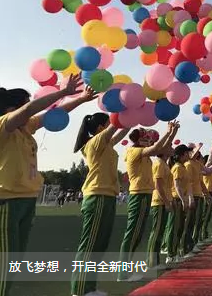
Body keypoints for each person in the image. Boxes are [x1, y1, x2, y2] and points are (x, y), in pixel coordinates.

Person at [0, 76, 92, 296]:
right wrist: (62, 92)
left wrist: (80, 99)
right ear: (12, 108)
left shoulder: (25, 128)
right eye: (25, 104)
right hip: (6, 201)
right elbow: (30, 110)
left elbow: (50, 116)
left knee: (14, 260)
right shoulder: (5, 124)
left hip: (26, 199)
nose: (29, 110)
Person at [70, 111, 131, 296]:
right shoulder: (94, 142)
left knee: (100, 244)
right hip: (96, 195)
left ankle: (89, 288)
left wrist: (131, 118)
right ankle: (79, 289)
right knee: (90, 244)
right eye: (106, 124)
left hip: (108, 195)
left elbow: (121, 130)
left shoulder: (107, 144)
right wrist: (124, 110)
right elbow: (115, 126)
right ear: (100, 128)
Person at [119, 124, 176, 281]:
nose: (148, 142)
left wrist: (172, 133)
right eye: (146, 139)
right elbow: (157, 147)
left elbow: (160, 148)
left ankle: (126, 270)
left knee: (136, 233)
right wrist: (168, 133)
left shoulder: (143, 154)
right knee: (133, 233)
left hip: (144, 194)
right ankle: (123, 272)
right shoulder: (134, 151)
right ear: (139, 140)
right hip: (139, 195)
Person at [146, 123, 180, 270]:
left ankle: (155, 261)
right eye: (170, 146)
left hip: (165, 201)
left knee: (160, 231)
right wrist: (166, 202)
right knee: (156, 231)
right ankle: (152, 262)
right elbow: (158, 185)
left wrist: (173, 131)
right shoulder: (159, 164)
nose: (172, 148)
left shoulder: (164, 163)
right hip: (159, 202)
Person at [165, 144, 191, 265]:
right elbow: (177, 185)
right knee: (174, 227)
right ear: (181, 155)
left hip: (181, 199)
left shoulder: (183, 167)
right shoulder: (177, 168)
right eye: (186, 153)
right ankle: (170, 254)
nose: (188, 155)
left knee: (179, 227)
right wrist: (183, 199)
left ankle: (175, 252)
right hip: (177, 199)